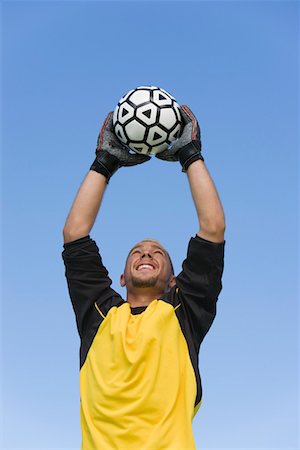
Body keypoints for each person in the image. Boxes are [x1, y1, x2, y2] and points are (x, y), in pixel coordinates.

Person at [62, 105, 225, 450]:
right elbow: (75, 234)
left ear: (173, 281)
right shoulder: (100, 314)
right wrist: (104, 162)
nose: (146, 253)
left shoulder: (184, 313)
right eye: (137, 251)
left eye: (157, 252)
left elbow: (212, 229)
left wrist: (189, 154)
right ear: (121, 277)